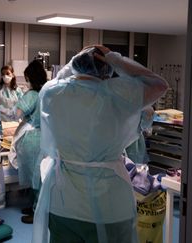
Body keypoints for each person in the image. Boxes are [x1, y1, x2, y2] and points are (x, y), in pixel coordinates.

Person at [33, 45, 168, 243]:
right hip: (110, 206)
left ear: (77, 65)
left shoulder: (52, 93)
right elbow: (158, 84)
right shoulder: (119, 94)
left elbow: (59, 79)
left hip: (63, 203)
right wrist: (115, 59)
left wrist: (73, 63)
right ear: (106, 69)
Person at [0, 60, 47, 224]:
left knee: (36, 177)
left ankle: (37, 213)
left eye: (27, 78)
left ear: (31, 78)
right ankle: (34, 206)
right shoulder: (44, 93)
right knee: (36, 176)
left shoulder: (32, 95)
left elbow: (15, 114)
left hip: (33, 139)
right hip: (41, 137)